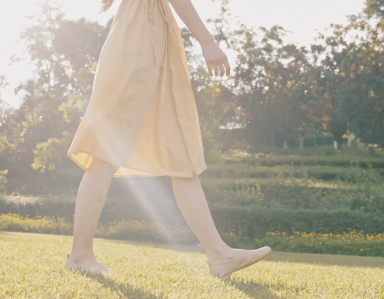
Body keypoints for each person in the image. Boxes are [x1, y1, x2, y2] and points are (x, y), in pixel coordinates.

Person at [64, 0, 271, 277]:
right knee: (106, 148)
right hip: (137, 42)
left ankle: (218, 254)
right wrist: (206, 40)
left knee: (180, 153)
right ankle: (79, 255)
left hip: (159, 38)